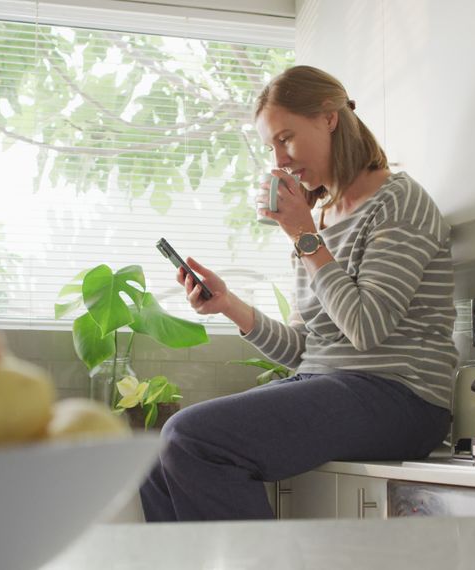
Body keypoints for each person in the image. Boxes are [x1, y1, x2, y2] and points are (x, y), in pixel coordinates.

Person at [139, 65, 458, 522]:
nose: (279, 160)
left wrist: (304, 236)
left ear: (329, 118)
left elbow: (366, 329)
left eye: (285, 138)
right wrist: (228, 305)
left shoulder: (399, 201)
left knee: (192, 439)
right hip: (333, 385)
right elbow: (306, 349)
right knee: (157, 457)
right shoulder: (319, 220)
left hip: (401, 398)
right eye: (271, 146)